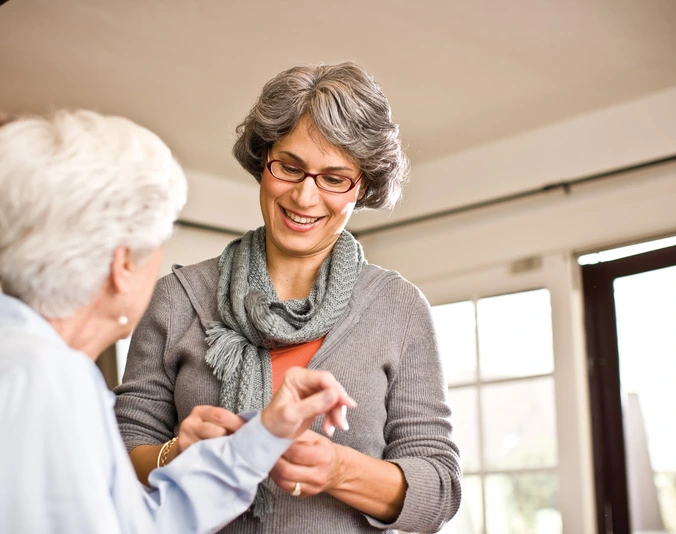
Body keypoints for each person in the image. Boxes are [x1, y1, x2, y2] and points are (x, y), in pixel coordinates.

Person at [0, 110, 357, 534]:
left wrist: (262, 436)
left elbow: (136, 523)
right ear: (123, 265)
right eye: (158, 245)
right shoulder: (42, 382)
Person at [115, 62, 463, 533]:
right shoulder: (178, 299)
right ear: (263, 162)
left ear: (361, 187)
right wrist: (177, 454)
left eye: (334, 178)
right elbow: (118, 452)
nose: (304, 196)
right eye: (290, 167)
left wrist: (340, 470)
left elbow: (439, 488)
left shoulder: (398, 309)